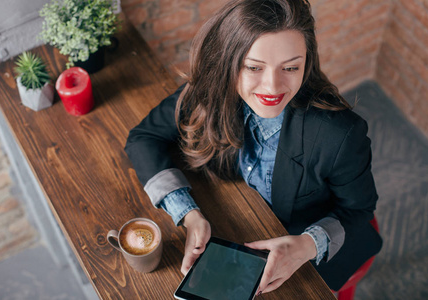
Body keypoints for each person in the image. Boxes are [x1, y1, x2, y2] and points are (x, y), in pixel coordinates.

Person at [125, 0, 382, 294]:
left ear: (306, 63)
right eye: (253, 67)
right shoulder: (208, 92)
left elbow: (359, 209)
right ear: (228, 62)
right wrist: (188, 213)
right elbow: (143, 137)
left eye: (290, 67)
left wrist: (308, 244)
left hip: (317, 258)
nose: (272, 87)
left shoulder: (341, 134)